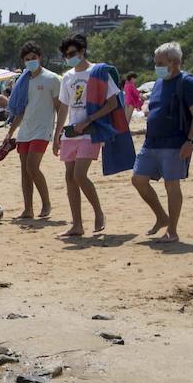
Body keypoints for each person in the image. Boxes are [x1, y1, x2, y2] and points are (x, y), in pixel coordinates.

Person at [131, 42, 193, 244]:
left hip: (175, 144)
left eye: (160, 63)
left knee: (171, 185)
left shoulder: (187, 82)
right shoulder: (159, 83)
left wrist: (190, 141)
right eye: (156, 63)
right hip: (151, 142)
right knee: (138, 179)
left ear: (175, 62)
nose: (157, 67)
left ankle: (172, 230)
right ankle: (162, 217)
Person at [55, 33, 117, 236]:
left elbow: (112, 103)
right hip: (72, 131)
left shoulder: (97, 72)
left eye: (72, 53)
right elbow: (64, 106)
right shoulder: (67, 77)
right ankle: (77, 224)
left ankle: (98, 213)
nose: (69, 57)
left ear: (82, 51)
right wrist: (57, 135)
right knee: (69, 177)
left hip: (91, 130)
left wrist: (89, 120)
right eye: (66, 54)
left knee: (80, 175)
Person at [1, 41, 62, 219]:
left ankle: (46, 204)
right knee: (24, 171)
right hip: (25, 130)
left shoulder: (51, 79)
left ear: (40, 57)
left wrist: (59, 132)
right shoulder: (23, 81)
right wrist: (10, 132)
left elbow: (59, 107)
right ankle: (28, 209)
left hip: (43, 130)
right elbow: (20, 110)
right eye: (27, 59)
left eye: (33, 58)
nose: (31, 61)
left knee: (32, 167)